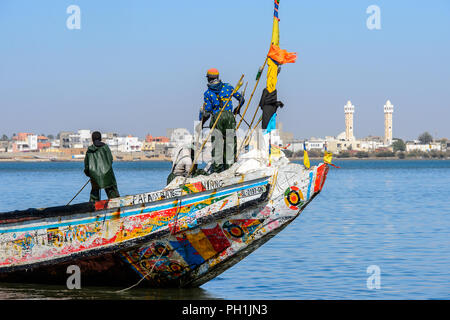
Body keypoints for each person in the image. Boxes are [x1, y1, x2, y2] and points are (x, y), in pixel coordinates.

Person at [199, 68, 245, 173]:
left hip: (217, 118)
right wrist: (237, 110)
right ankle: (230, 167)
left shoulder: (207, 93)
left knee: (217, 144)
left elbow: (208, 110)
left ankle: (217, 169)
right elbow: (241, 99)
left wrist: (202, 119)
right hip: (229, 117)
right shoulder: (228, 87)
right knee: (230, 142)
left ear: (209, 79)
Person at [84, 131, 120, 202]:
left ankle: (92, 206)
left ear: (92, 139)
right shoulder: (105, 147)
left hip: (94, 175)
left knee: (94, 193)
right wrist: (107, 169)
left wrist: (90, 174)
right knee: (112, 192)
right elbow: (110, 160)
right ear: (100, 138)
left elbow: (87, 166)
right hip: (107, 174)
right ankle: (116, 204)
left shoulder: (89, 150)